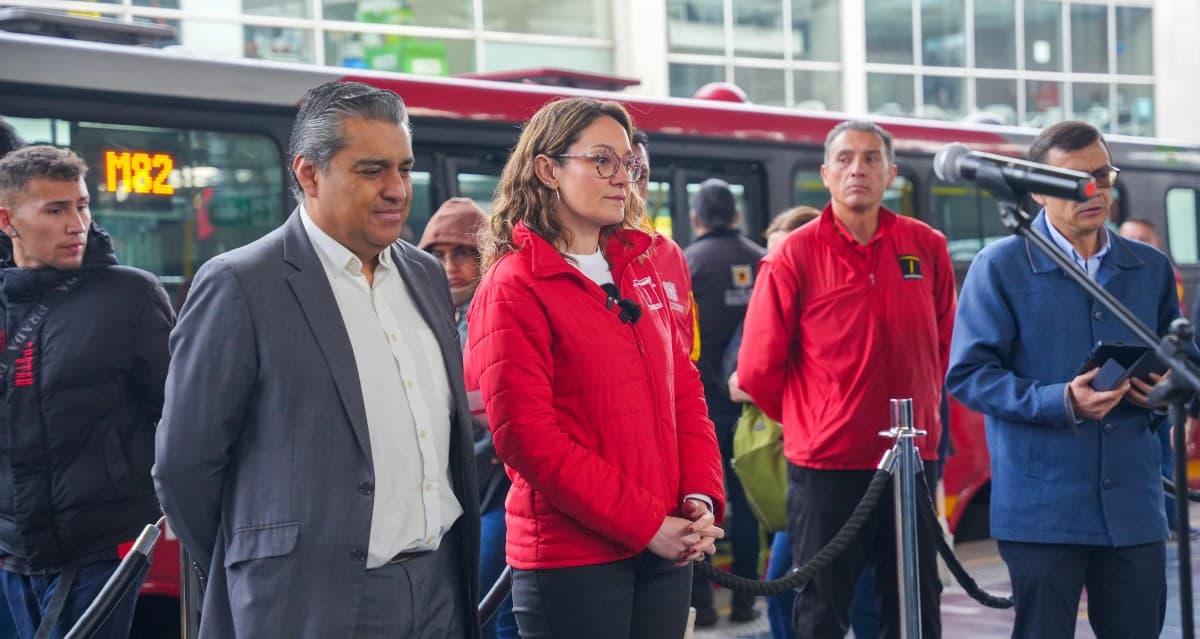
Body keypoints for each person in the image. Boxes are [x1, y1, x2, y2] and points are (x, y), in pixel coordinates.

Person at [154, 81, 482, 639]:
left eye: (404, 169)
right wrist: (271, 562)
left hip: (440, 589)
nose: (396, 189)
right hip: (308, 602)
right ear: (309, 174)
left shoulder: (425, 275)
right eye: (372, 170)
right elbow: (185, 467)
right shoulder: (241, 284)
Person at [466, 96, 725, 639]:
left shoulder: (640, 267)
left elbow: (685, 392)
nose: (623, 178)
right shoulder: (514, 283)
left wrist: (699, 498)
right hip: (574, 558)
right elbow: (528, 439)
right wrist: (648, 524)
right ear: (547, 169)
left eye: (629, 164)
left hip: (666, 545)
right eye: (602, 160)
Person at [947, 120, 1177, 639]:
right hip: (1042, 511)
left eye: (1103, 174)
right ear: (1036, 189)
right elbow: (968, 376)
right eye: (1076, 181)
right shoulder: (999, 266)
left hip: (1134, 508)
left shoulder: (1150, 268)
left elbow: (1180, 362)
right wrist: (1060, 401)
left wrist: (1163, 394)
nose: (1095, 191)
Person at [738, 120, 955, 638]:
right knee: (822, 609)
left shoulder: (926, 246)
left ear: (891, 174)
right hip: (827, 465)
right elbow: (757, 368)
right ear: (826, 174)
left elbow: (942, 346)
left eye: (872, 158)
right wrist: (816, 418)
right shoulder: (794, 253)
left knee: (915, 604)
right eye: (845, 158)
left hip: (911, 459)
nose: (858, 167)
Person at [0, 145, 173, 639]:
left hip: (105, 545)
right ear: (8, 220)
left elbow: (177, 415)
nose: (77, 223)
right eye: (56, 210)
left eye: (81, 205)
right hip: (11, 549)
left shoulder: (131, 294)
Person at [419, 197, 517, 639]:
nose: (450, 266)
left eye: (463, 253)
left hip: (495, 492)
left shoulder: (495, 310)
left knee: (490, 614)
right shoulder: (428, 316)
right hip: (453, 497)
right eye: (438, 255)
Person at [682, 177, 766, 625]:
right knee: (748, 505)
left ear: (696, 218)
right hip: (755, 411)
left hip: (703, 409)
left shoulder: (687, 263)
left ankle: (703, 606)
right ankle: (746, 601)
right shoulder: (762, 260)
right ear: (736, 216)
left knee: (699, 506)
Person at [1117, 218, 1196, 541]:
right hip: (1131, 387)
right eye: (1130, 238)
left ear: (1157, 241)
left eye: (1142, 238)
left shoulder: (1162, 274)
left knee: (1164, 457)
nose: (1137, 243)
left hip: (1157, 382)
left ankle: (1171, 521)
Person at [633, 131, 699, 361]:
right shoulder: (582, 251)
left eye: (640, 175)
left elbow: (690, 348)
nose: (629, 186)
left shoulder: (670, 253)